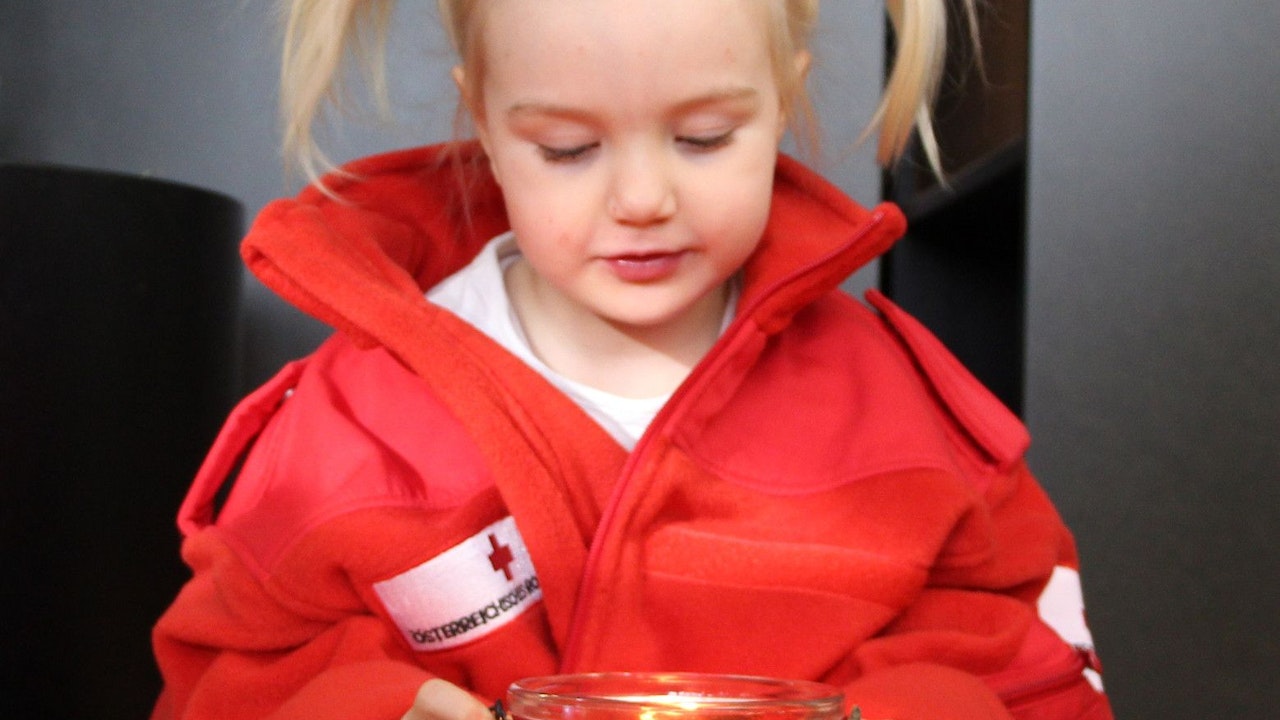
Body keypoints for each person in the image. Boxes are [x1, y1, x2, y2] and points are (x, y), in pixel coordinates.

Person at [151, 1, 1113, 719]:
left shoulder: (901, 412)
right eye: (568, 149)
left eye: (703, 139)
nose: (644, 197)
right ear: (484, 121)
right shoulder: (354, 425)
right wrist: (371, 705)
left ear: (781, 103)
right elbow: (224, 675)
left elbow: (1031, 667)